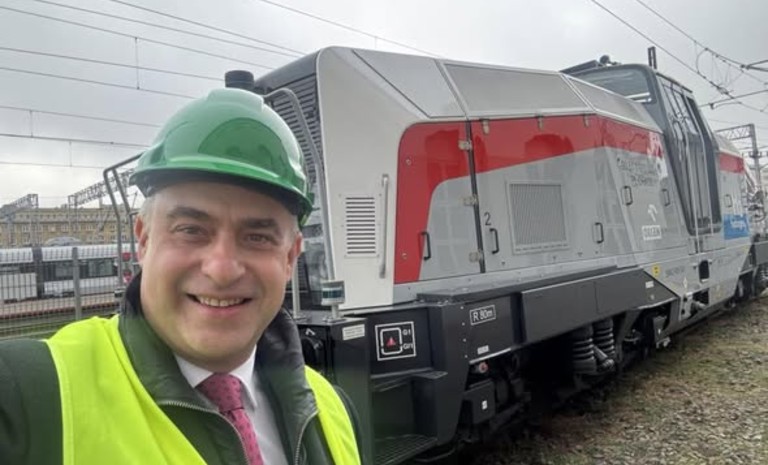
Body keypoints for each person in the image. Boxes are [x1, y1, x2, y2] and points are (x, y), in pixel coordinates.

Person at [0, 88, 361, 465]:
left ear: (289, 257)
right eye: (190, 230)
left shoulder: (334, 411)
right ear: (143, 239)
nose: (221, 270)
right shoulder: (24, 396)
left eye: (257, 237)